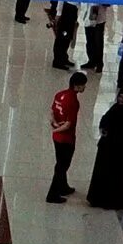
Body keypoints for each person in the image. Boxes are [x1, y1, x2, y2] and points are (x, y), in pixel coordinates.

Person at [85, 93, 123, 209]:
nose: (121, 100)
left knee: (113, 175)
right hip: (107, 147)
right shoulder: (115, 108)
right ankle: (97, 199)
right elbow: (105, 120)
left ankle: (109, 201)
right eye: (120, 97)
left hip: (118, 150)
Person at [46, 72, 84, 203]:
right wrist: (58, 128)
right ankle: (53, 194)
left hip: (57, 137)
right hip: (66, 139)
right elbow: (69, 124)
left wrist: (54, 125)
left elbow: (52, 111)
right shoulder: (73, 102)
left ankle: (63, 186)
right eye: (83, 85)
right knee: (62, 166)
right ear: (77, 86)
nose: (84, 87)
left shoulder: (60, 94)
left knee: (60, 162)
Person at [49, 1, 80, 71]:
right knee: (62, 37)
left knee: (67, 37)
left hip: (73, 10)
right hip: (66, 10)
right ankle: (57, 61)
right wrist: (59, 13)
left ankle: (63, 57)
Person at [81, 1, 109, 74]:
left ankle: (99, 63)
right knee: (89, 41)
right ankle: (91, 61)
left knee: (98, 42)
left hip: (99, 20)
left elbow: (108, 3)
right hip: (87, 18)